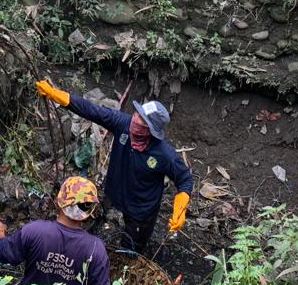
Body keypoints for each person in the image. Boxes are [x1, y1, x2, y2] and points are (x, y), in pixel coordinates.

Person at [36, 79, 193, 255]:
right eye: (137, 114)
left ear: (151, 130)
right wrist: (57, 95)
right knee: (101, 221)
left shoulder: (164, 154)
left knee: (132, 247)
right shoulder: (122, 123)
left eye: (141, 120)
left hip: (141, 208)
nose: (135, 120)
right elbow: (92, 110)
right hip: (116, 191)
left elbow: (184, 178)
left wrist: (181, 204)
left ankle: (128, 262)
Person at [0, 176, 110, 285]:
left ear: (59, 202)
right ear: (89, 210)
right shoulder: (96, 248)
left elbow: (6, 255)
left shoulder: (34, 230)